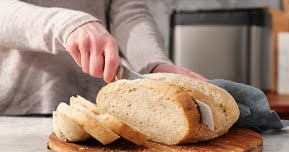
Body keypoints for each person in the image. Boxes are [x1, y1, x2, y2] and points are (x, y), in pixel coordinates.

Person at [0, 0, 206, 115]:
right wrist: (68, 24)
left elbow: (130, 13)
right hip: (20, 109)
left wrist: (152, 63)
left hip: (96, 109)